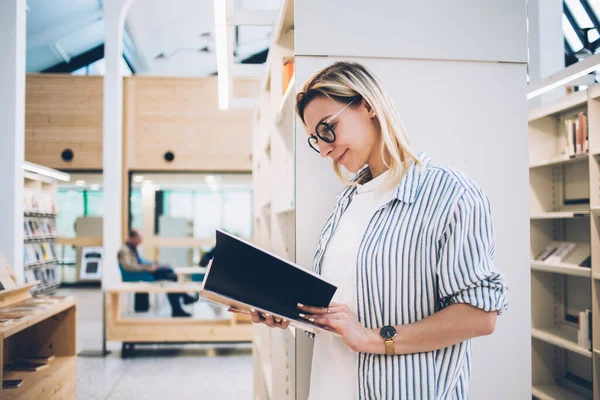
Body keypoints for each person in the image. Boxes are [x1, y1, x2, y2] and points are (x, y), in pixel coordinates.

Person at [245, 62, 508, 399]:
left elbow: (480, 315)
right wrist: (289, 313)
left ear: (368, 105)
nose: (325, 149)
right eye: (315, 140)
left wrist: (372, 338)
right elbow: (342, 311)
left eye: (328, 129)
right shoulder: (346, 201)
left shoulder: (450, 194)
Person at [118, 229, 198, 317]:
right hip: (134, 275)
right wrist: (149, 268)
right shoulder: (125, 250)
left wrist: (154, 264)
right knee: (171, 276)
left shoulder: (131, 248)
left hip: (141, 272)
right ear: (132, 238)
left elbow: (140, 262)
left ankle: (181, 303)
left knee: (169, 273)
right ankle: (182, 301)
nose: (141, 240)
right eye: (139, 238)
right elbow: (130, 266)